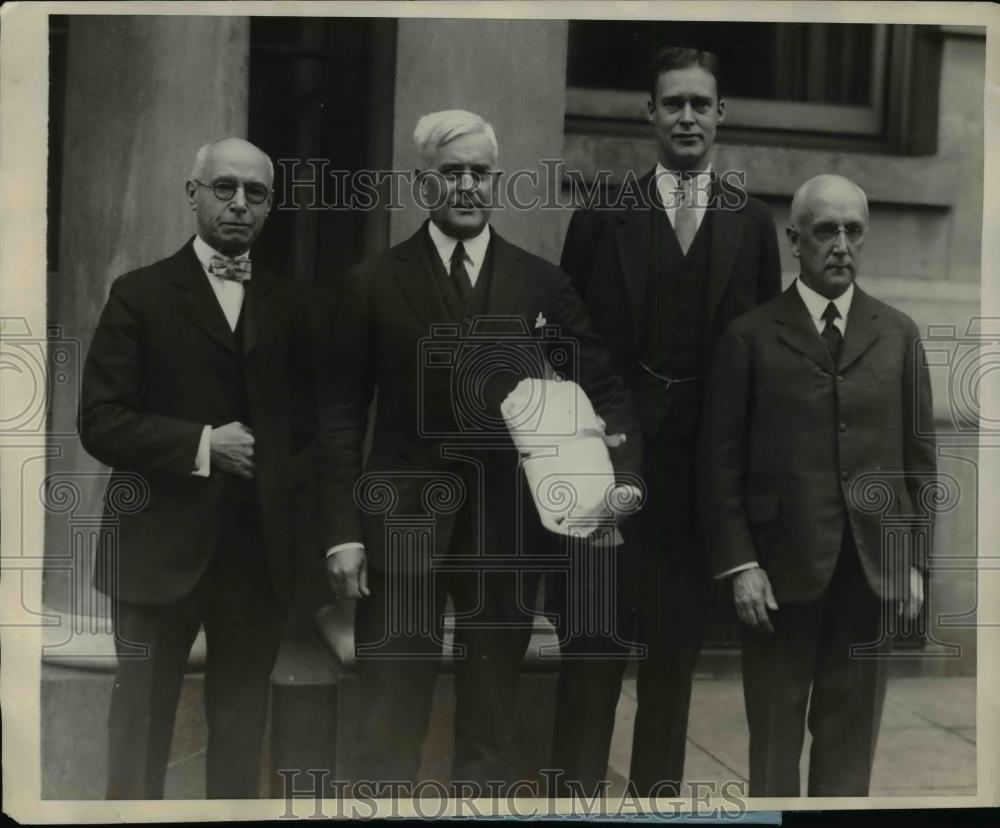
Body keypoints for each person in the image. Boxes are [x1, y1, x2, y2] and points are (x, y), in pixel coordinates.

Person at [317, 110, 642, 790]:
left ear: (495, 182)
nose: (466, 186)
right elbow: (341, 415)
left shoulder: (541, 283)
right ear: (422, 184)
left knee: (491, 721)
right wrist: (343, 534)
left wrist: (621, 481)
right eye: (450, 173)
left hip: (508, 528)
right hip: (403, 525)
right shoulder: (373, 283)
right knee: (389, 713)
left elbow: (604, 388)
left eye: (479, 173)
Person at [551, 47, 782, 795]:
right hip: (606, 476)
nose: (687, 117)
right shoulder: (600, 216)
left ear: (722, 115)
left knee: (671, 673)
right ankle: (572, 804)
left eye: (700, 104)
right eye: (673, 103)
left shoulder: (753, 225)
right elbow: (564, 346)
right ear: (650, 113)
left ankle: (654, 806)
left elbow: (763, 360)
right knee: (590, 660)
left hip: (695, 489)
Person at [80, 138, 311, 799]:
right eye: (224, 187)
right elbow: (101, 421)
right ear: (193, 194)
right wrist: (205, 445)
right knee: (139, 735)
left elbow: (314, 426)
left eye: (255, 193)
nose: (239, 204)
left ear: (269, 206)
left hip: (255, 560)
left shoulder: (294, 304)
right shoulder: (140, 294)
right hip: (156, 552)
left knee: (240, 736)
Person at [698, 174, 937, 796]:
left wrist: (913, 562)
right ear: (794, 239)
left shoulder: (898, 333)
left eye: (853, 230)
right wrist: (741, 564)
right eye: (826, 230)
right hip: (779, 576)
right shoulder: (750, 336)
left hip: (871, 573)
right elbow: (719, 465)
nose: (841, 245)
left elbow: (920, 465)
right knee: (774, 748)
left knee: (849, 748)